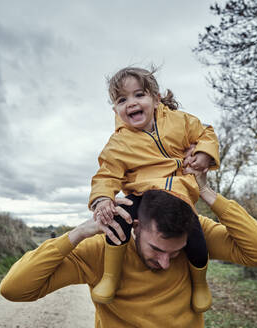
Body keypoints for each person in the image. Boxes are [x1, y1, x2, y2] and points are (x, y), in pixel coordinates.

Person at [0, 169, 257, 328]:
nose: (166, 262)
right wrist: (77, 233)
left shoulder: (198, 234)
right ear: (136, 226)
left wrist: (207, 193)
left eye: (176, 252)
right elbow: (14, 289)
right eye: (157, 249)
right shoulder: (102, 248)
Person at [89, 66, 220, 311]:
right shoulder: (119, 143)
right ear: (115, 109)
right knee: (120, 220)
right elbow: (106, 174)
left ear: (156, 98)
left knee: (194, 236)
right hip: (142, 195)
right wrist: (103, 199)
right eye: (122, 99)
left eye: (139, 95)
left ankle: (200, 284)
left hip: (178, 193)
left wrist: (203, 154)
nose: (131, 103)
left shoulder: (179, 121)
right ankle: (111, 276)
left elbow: (206, 133)